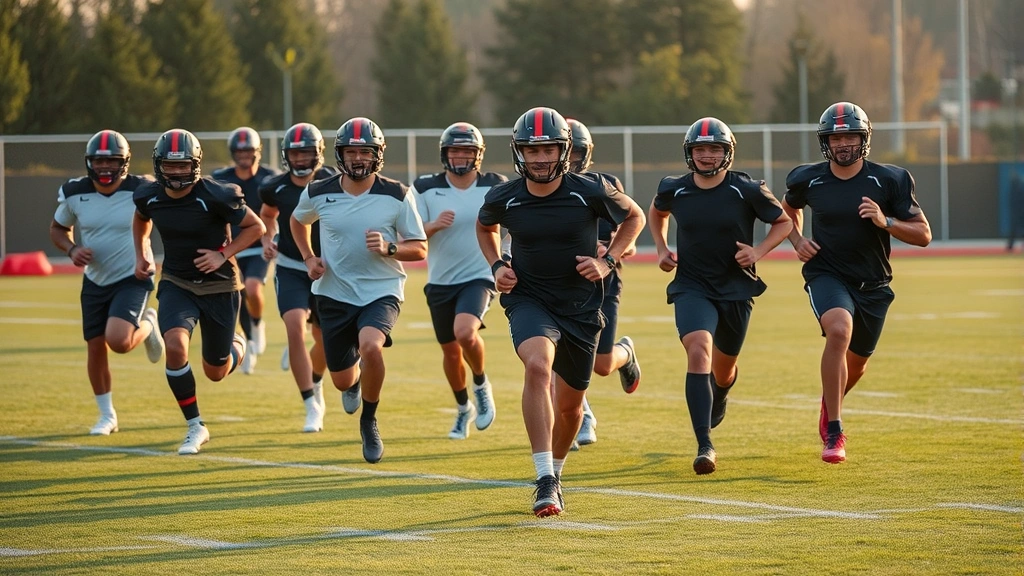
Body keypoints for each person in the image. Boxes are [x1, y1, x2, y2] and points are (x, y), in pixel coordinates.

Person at [476, 107, 645, 517]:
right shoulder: (504, 196)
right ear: (519, 153)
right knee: (537, 365)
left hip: (582, 305)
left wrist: (609, 261)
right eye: (531, 151)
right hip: (528, 297)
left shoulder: (591, 189)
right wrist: (498, 265)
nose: (539, 159)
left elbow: (635, 217)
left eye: (548, 149)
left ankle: (556, 472)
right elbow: (484, 227)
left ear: (564, 150)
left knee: (571, 408)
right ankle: (544, 479)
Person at [782, 102, 931, 464]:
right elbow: (785, 210)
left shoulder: (890, 179)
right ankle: (834, 430)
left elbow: (923, 234)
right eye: (836, 137)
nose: (843, 144)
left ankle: (828, 402)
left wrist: (886, 222)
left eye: (850, 135)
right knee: (838, 329)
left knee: (858, 363)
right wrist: (798, 240)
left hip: (874, 284)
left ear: (864, 139)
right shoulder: (807, 178)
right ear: (825, 142)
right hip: (826, 273)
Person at [649, 117, 791, 475]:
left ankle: (722, 391)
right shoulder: (674, 187)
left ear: (727, 153)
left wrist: (758, 252)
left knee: (723, 371)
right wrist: (662, 248)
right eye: (700, 149)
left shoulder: (747, 189)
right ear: (690, 153)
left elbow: (784, 222)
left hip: (736, 288)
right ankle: (704, 445)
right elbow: (657, 210)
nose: (707, 155)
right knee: (699, 349)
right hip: (691, 286)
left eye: (714, 149)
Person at [290, 117, 427, 464]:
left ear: (377, 154)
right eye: (350, 152)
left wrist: (390, 248)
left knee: (371, 345)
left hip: (382, 290)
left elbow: (419, 248)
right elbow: (296, 221)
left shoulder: (397, 193)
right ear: (340, 155)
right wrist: (308, 258)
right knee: (340, 380)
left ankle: (369, 419)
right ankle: (352, 385)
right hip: (333, 293)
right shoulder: (319, 191)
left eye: (364, 151)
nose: (357, 158)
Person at [133, 129, 266, 455]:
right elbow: (141, 220)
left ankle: (238, 343)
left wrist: (223, 253)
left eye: (183, 166)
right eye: (170, 165)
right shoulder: (149, 195)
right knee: (176, 347)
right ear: (159, 165)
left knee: (215, 371)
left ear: (195, 164)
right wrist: (143, 253)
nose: (177, 172)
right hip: (177, 282)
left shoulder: (217, 194)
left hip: (221, 285)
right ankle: (195, 426)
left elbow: (256, 227)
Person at [49, 130, 166, 436]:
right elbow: (58, 229)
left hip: (133, 275)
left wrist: (151, 256)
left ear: (123, 163)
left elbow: (168, 216)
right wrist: (72, 249)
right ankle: (107, 415)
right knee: (95, 347)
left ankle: (149, 324)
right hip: (95, 279)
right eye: (99, 161)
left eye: (111, 161)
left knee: (118, 340)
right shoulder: (75, 191)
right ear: (89, 163)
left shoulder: (141, 189)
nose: (104, 167)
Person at [412, 122, 507, 440]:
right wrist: (433, 226)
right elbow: (409, 234)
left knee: (465, 332)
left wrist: (503, 259)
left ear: (478, 155)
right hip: (440, 280)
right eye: (455, 150)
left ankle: (480, 384)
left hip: (480, 275)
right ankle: (463, 407)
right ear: (445, 153)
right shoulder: (424, 187)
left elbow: (512, 227)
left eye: (467, 151)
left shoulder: (495, 184)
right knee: (451, 353)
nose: (461, 156)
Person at [563, 118, 642, 451]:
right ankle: (583, 414)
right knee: (561, 357)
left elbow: (631, 238)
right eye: (564, 151)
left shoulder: (603, 185)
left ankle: (626, 353)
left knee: (603, 364)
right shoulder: (535, 186)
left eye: (575, 152)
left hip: (602, 284)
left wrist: (608, 253)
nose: (569, 159)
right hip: (559, 285)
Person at [259, 122, 336, 433]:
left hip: (328, 268)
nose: (301, 160)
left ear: (318, 154)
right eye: (295, 154)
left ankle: (316, 382)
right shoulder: (274, 187)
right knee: (293, 326)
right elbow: (267, 214)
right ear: (285, 155)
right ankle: (310, 404)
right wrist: (268, 239)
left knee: (325, 339)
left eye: (307, 154)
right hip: (292, 265)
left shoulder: (334, 181)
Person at [211, 127, 279, 374]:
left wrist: (270, 240)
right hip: (232, 248)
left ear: (256, 152)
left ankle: (258, 324)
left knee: (252, 287)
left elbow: (273, 214)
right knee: (237, 295)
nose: (243, 155)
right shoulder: (221, 177)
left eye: (248, 150)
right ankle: (249, 346)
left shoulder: (269, 178)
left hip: (259, 245)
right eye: (239, 151)